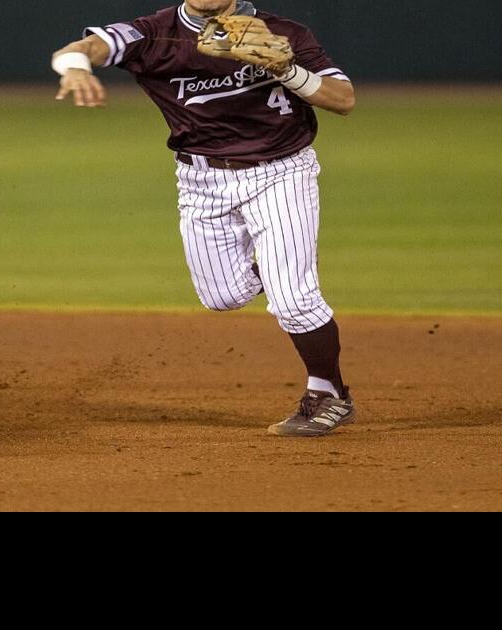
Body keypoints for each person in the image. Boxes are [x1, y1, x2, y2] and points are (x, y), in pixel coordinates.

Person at [51, 1, 357, 437]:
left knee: (294, 300)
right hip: (200, 181)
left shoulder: (283, 32)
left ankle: (329, 394)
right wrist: (76, 69)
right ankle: (277, 261)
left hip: (281, 171)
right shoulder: (152, 35)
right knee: (223, 297)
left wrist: (287, 71)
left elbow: (343, 100)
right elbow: (80, 48)